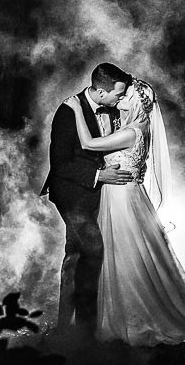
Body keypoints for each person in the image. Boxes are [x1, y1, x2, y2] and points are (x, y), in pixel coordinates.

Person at [60, 70, 185, 346]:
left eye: (126, 95)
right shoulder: (131, 127)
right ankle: (93, 321)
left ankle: (124, 318)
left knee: (123, 257)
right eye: (120, 93)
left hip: (121, 200)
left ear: (135, 103)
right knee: (113, 257)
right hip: (116, 197)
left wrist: (76, 110)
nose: (121, 97)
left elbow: (88, 144)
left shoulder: (133, 132)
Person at [40, 63, 135, 336]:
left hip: (97, 195)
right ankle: (82, 333)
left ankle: (72, 328)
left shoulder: (115, 109)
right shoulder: (69, 111)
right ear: (100, 91)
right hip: (72, 193)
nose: (120, 98)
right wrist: (99, 175)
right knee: (90, 252)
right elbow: (60, 165)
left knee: (78, 255)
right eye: (117, 94)